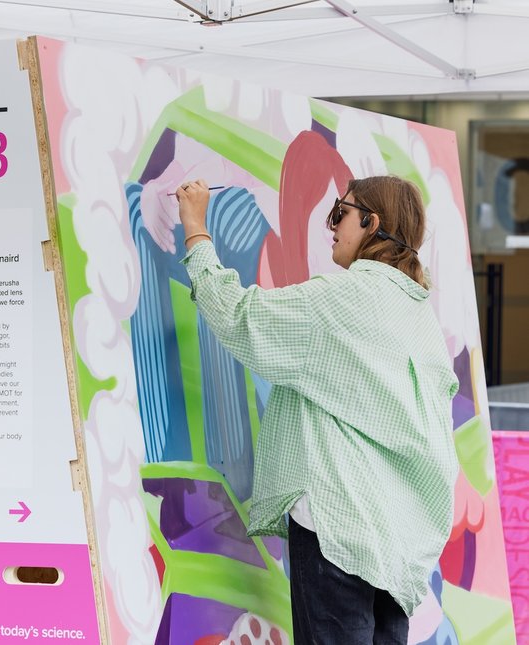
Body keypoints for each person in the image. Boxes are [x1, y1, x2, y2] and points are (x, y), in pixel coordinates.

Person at [175, 175, 459, 645]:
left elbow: (239, 316)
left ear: (371, 223)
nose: (331, 226)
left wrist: (196, 230)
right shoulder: (419, 315)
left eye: (340, 213)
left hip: (340, 527)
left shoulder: (344, 298)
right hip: (399, 545)